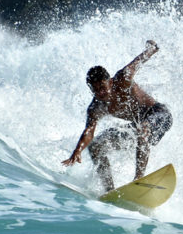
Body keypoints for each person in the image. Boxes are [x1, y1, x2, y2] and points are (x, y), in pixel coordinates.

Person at [62, 40, 173, 192]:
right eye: (96, 90)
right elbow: (89, 131)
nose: (100, 93)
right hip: (138, 126)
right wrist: (78, 150)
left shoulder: (123, 79)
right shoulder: (96, 106)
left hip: (160, 115)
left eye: (102, 87)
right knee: (96, 146)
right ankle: (109, 190)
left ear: (109, 81)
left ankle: (139, 179)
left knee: (142, 129)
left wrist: (152, 49)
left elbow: (137, 62)